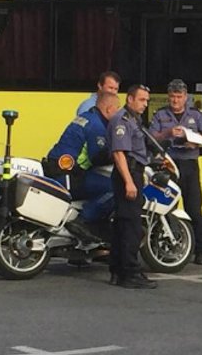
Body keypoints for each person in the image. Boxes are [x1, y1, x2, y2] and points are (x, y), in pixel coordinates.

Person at [149, 79, 202, 266]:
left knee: (194, 207)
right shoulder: (160, 115)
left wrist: (197, 140)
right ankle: (165, 246)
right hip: (169, 164)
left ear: (185, 97)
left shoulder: (195, 114)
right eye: (172, 97)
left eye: (179, 97)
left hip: (189, 163)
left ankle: (200, 250)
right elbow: (152, 136)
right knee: (166, 207)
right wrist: (168, 133)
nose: (175, 100)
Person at [45, 92, 121, 242]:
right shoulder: (97, 127)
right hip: (69, 175)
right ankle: (84, 221)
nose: (119, 113)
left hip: (57, 169)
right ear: (109, 109)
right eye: (117, 109)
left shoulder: (87, 117)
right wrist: (120, 155)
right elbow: (98, 157)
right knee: (116, 187)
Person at [107, 84, 157, 289]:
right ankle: (130, 273)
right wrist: (128, 181)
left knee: (123, 225)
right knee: (131, 226)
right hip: (127, 174)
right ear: (129, 99)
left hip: (133, 171)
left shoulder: (134, 120)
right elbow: (119, 153)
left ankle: (118, 270)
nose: (145, 104)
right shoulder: (122, 120)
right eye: (142, 100)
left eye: (147, 100)